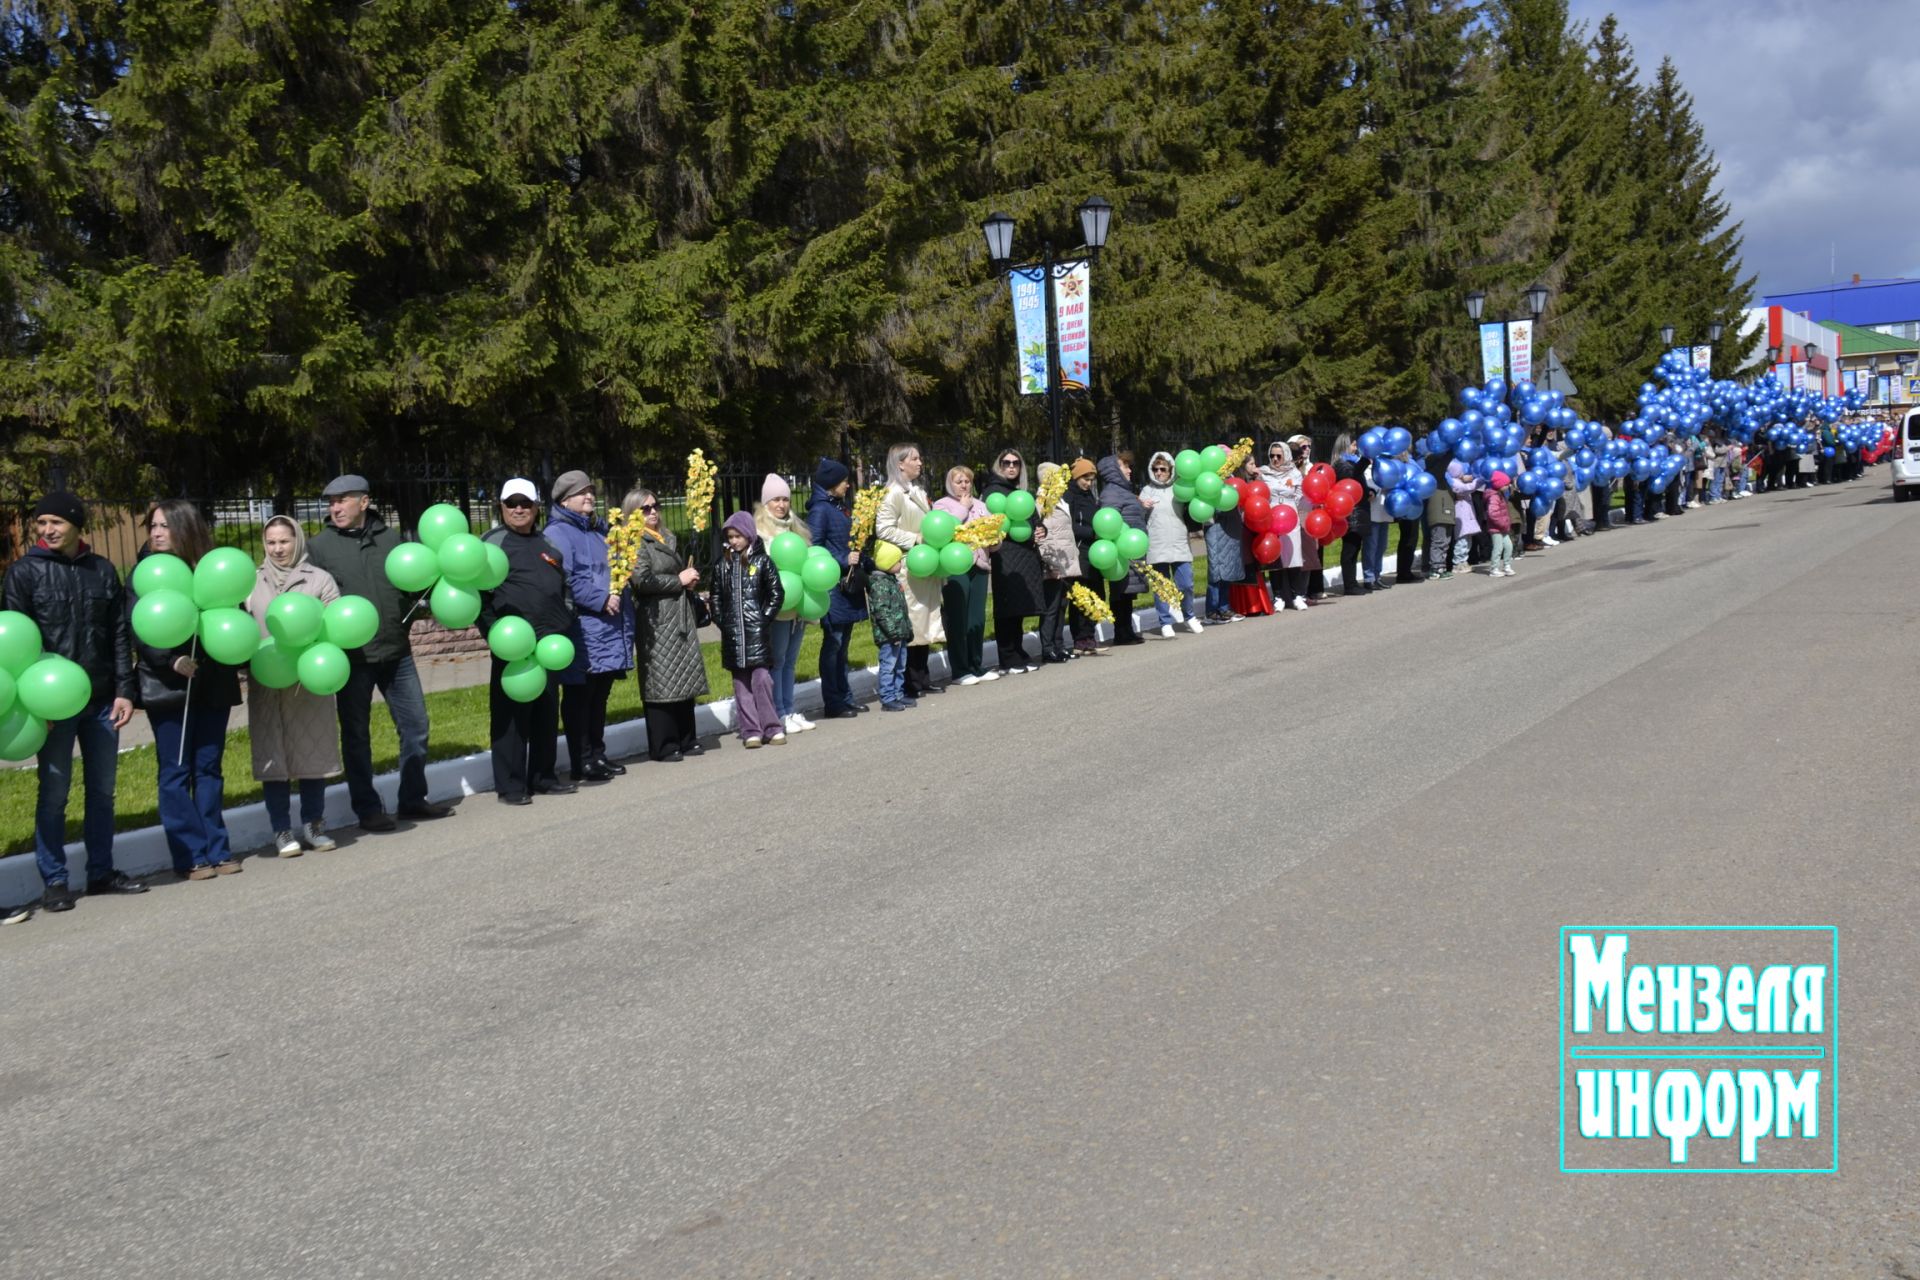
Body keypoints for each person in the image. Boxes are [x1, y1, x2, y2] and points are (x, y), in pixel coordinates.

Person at [3, 492, 143, 911]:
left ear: (77, 525)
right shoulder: (23, 573)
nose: (47, 530)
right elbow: (14, 645)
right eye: (42, 522)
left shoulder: (101, 571)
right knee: (54, 793)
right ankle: (56, 881)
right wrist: (34, 707)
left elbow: (118, 634)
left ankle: (100, 872)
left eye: (56, 522)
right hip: (52, 706)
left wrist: (125, 690)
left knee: (103, 792)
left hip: (101, 700)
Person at [305, 475, 451, 830]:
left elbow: (409, 583)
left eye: (342, 500)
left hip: (396, 651)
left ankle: (412, 799)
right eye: (331, 502)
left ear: (364, 501)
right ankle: (367, 809)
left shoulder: (390, 539)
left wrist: (416, 609)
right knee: (357, 737)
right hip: (352, 659)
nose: (335, 508)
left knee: (416, 727)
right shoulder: (320, 547)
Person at [134, 500, 243, 880]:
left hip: (212, 683)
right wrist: (169, 659)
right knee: (176, 771)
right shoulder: (148, 572)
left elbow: (235, 614)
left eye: (165, 525)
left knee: (209, 768)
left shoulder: (213, 568)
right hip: (169, 686)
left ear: (186, 528)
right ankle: (191, 854)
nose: (157, 532)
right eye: (154, 526)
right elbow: (140, 625)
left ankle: (219, 848)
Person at [246, 515, 342, 856]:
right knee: (274, 759)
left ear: (297, 541)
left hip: (308, 680)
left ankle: (314, 824)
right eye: (271, 542)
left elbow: (336, 624)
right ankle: (281, 830)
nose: (277, 549)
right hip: (268, 681)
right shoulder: (250, 582)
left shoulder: (319, 579)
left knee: (311, 752)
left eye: (284, 541)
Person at [479, 478, 575, 803]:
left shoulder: (548, 543)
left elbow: (564, 587)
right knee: (510, 718)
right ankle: (511, 785)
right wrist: (494, 633)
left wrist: (566, 618)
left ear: (536, 507)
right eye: (511, 503)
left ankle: (543, 776)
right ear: (502, 507)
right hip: (513, 648)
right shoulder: (492, 544)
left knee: (547, 712)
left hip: (548, 644)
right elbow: (479, 596)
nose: (518, 509)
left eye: (525, 503)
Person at [545, 470, 624, 783]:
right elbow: (565, 577)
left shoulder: (597, 528)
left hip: (605, 625)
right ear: (565, 499)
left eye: (591, 491)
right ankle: (581, 759)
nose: (590, 496)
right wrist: (601, 598)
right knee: (581, 694)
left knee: (600, 692)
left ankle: (597, 752)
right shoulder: (559, 532)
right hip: (582, 624)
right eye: (582, 493)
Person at [624, 487, 709, 761]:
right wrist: (679, 581)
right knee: (661, 678)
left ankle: (687, 737)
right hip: (655, 619)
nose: (652, 512)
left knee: (683, 672)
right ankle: (664, 743)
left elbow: (673, 574)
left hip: (679, 613)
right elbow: (642, 581)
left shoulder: (667, 535)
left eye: (654, 506)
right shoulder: (634, 541)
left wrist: (688, 580)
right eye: (644, 509)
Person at [875, 443, 946, 696]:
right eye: (914, 459)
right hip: (909, 563)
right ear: (899, 464)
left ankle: (922, 677)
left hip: (925, 562)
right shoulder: (892, 492)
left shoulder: (916, 490)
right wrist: (914, 539)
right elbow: (883, 529)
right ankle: (909, 681)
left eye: (919, 458)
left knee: (925, 620)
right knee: (912, 623)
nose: (920, 462)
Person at [711, 510, 784, 746]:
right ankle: (751, 730)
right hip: (734, 637)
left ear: (749, 536)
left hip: (757, 635)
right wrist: (724, 622)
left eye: (738, 536)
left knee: (762, 680)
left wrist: (763, 618)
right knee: (741, 684)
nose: (734, 541)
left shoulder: (763, 562)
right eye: (730, 537)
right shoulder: (723, 565)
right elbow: (715, 598)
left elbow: (776, 593)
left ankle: (772, 727)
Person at [754, 473, 815, 735]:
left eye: (785, 500)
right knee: (777, 660)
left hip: (798, 605)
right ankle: (777, 711)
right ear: (766, 503)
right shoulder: (760, 533)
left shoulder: (796, 529)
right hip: (777, 606)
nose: (781, 505)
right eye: (776, 500)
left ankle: (790, 708)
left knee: (790, 661)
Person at [805, 459, 865, 718]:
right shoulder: (820, 510)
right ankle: (833, 701)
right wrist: (843, 559)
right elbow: (815, 547)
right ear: (831, 484)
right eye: (844, 481)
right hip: (833, 585)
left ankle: (845, 696)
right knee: (834, 644)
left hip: (847, 584)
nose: (848, 484)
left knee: (843, 646)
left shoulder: (839, 506)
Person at [980, 448, 1045, 673]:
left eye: (1015, 463)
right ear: (999, 465)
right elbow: (989, 524)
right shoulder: (992, 492)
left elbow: (1034, 519)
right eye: (1006, 462)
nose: (1011, 466)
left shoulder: (1020, 492)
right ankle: (1007, 656)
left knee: (1018, 608)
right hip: (1004, 555)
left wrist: (1040, 530)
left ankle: (1017, 650)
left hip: (1025, 554)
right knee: (1006, 606)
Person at [932, 466, 995, 685]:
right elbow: (945, 531)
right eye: (959, 481)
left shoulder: (981, 505)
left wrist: (994, 540)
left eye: (967, 481)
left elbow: (992, 536)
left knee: (976, 619)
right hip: (956, 567)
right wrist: (962, 508)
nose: (964, 485)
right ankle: (960, 669)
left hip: (980, 565)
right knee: (958, 617)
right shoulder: (942, 505)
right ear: (950, 484)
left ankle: (976, 664)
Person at [1141, 451, 1202, 634]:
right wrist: (1141, 506)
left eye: (1163, 469)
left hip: (1179, 543)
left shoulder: (1180, 488)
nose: (1159, 472)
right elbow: (1138, 517)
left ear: (1171, 470)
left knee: (1186, 584)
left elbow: (1192, 511)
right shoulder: (1146, 491)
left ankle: (1189, 616)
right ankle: (1165, 621)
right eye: (1155, 469)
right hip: (1156, 545)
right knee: (1162, 586)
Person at [1032, 462, 1083, 661]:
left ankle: (1059, 644)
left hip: (1067, 560)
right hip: (1053, 563)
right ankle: (1048, 648)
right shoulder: (1042, 502)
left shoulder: (1060, 500)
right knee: (1051, 607)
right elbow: (1043, 536)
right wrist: (1049, 563)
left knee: (1062, 605)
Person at [1096, 453, 1148, 645]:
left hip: (1130, 549)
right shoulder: (1111, 493)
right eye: (1125, 467)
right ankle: (1121, 632)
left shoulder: (1123, 491)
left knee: (1127, 593)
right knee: (1120, 592)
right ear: (1115, 471)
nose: (1129, 470)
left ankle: (1127, 630)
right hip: (1120, 551)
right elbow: (1110, 521)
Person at [863, 531, 914, 709]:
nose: (900, 563)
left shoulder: (891, 580)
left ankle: (898, 693)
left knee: (900, 666)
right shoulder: (879, 584)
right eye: (898, 561)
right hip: (889, 636)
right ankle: (887, 697)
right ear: (888, 563)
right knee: (889, 665)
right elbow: (882, 612)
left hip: (900, 633)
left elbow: (901, 608)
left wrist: (907, 630)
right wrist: (893, 633)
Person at [1064, 458, 1109, 652]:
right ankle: (1081, 638)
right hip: (1080, 552)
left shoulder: (1089, 496)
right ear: (1076, 477)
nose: (1088, 483)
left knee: (1097, 594)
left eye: (1091, 479)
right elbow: (1068, 525)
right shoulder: (1069, 496)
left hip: (1095, 552)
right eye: (1085, 478)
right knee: (1081, 597)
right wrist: (1091, 533)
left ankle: (1090, 635)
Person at [1257, 442, 1310, 609]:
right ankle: (1278, 596)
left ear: (1286, 456)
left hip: (1289, 516)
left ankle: (1297, 595)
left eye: (1278, 456)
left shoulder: (1294, 473)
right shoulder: (1264, 473)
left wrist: (1288, 506)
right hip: (1271, 516)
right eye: (1272, 455)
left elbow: (1299, 495)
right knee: (1274, 556)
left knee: (1293, 555)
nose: (1275, 459)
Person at [1287, 434, 1329, 601]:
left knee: (1312, 553)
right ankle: (1297, 592)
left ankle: (1312, 589)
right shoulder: (1292, 470)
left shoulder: (1313, 466)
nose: (1307, 449)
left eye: (1309, 446)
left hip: (1311, 513)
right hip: (1294, 514)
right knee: (1297, 554)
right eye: (1303, 447)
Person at [1332, 434, 1371, 595]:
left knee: (1355, 549)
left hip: (1359, 511)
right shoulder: (1341, 464)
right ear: (1345, 445)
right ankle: (1349, 585)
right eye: (1353, 445)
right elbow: (1352, 475)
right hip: (1350, 514)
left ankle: (1353, 582)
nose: (1356, 449)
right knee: (1349, 549)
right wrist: (1365, 459)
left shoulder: (1352, 462)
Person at [1422, 452, 1456, 580]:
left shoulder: (1443, 477)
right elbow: (1444, 461)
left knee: (1445, 541)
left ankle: (1441, 566)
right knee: (1438, 540)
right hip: (1438, 513)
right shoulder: (1433, 474)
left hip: (1447, 512)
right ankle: (1436, 568)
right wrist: (1452, 450)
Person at [1446, 459, 1478, 574]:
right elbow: (1466, 489)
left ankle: (1464, 561)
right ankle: (1458, 563)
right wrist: (1480, 480)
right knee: (1462, 540)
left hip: (1467, 514)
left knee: (1467, 540)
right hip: (1461, 514)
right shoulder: (1454, 482)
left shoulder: (1458, 481)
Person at [1485, 471, 1516, 578]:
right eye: (1506, 484)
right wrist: (1502, 523)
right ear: (1499, 485)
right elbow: (1492, 513)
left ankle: (1507, 565)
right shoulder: (1494, 497)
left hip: (1503, 528)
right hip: (1496, 528)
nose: (1508, 486)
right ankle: (1494, 568)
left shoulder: (1501, 495)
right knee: (1498, 548)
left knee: (1509, 546)